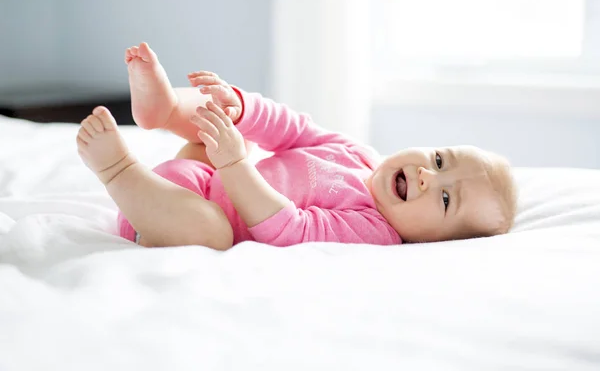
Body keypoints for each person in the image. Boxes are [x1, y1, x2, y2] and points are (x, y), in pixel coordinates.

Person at [76, 42, 518, 250]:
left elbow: (292, 229)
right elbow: (292, 130)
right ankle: (167, 110)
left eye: (445, 197)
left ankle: (118, 171)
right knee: (228, 127)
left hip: (166, 218)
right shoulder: (360, 154)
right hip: (201, 177)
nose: (427, 173)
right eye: (440, 160)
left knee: (213, 233)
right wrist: (241, 109)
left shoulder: (375, 231)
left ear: (434, 241)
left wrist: (234, 165)